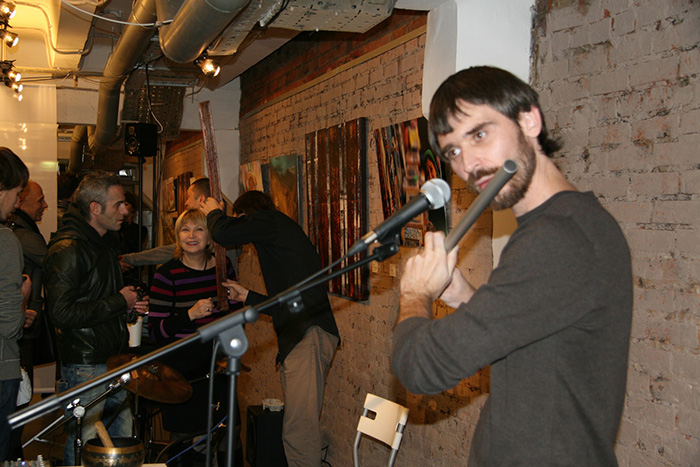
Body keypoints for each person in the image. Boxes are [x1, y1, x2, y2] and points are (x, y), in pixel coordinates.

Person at [391, 66, 633, 466]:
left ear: (529, 121)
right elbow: (533, 342)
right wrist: (466, 297)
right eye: (453, 152)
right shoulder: (560, 227)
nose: (469, 165)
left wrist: (414, 294)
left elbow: (422, 368)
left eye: (479, 135)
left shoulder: (558, 238)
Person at [202, 190, 340, 467]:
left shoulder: (270, 220)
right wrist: (247, 296)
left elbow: (224, 233)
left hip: (307, 335)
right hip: (304, 334)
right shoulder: (280, 232)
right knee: (297, 427)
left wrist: (213, 212)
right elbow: (287, 302)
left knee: (299, 431)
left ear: (248, 214)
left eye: (243, 221)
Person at [43, 171, 149, 466]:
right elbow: (61, 313)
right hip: (86, 364)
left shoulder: (102, 244)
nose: (125, 211)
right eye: (118, 205)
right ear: (95, 208)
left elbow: (96, 299)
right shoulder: (69, 248)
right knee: (85, 443)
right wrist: (119, 301)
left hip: (112, 360)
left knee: (120, 442)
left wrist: (128, 305)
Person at [147, 208, 244, 464]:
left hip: (217, 361)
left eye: (199, 229)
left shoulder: (223, 267)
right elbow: (156, 331)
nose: (191, 235)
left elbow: (234, 314)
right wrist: (189, 314)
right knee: (185, 437)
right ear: (177, 236)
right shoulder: (166, 274)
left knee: (229, 431)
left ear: (210, 236)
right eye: (185, 230)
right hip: (181, 367)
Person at [7, 180, 49, 460]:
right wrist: (22, 308)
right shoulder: (19, 236)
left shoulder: (17, 233)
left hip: (23, 323)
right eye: (40, 200)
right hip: (19, 331)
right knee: (18, 400)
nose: (45, 205)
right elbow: (54, 262)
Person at [0, 147, 31, 462]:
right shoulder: (5, 241)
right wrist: (23, 297)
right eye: (17, 193)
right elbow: (9, 325)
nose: (17, 202)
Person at [120, 177, 211, 269]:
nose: (186, 203)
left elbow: (169, 252)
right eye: (186, 230)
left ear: (201, 199)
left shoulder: (214, 228)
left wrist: (129, 259)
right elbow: (170, 251)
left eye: (188, 197)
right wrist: (128, 259)